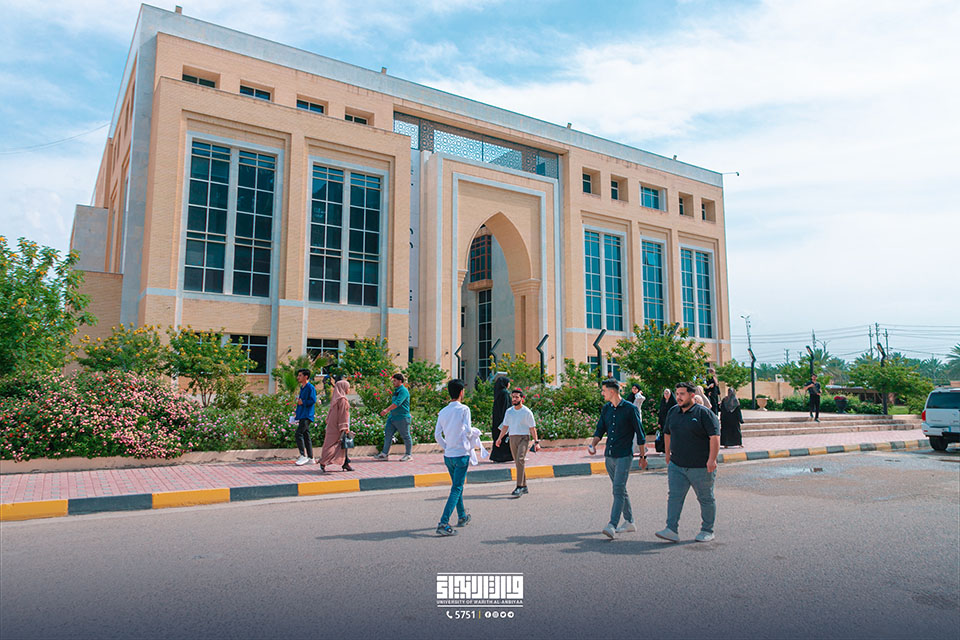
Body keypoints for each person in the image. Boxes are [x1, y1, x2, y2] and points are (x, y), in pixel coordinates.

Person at [656, 381, 720, 544]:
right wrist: (667, 454)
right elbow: (667, 433)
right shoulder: (673, 411)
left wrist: (712, 459)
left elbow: (714, 437)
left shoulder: (704, 413)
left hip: (701, 466)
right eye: (677, 394)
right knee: (674, 497)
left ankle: (707, 530)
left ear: (692, 395)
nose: (678, 397)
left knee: (705, 498)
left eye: (682, 394)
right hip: (677, 465)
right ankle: (671, 529)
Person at [587, 379, 647, 539]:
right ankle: (630, 521)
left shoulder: (630, 409)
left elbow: (640, 434)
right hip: (610, 455)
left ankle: (612, 525)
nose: (602, 393)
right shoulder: (606, 408)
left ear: (612, 391)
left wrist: (642, 456)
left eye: (604, 390)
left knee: (618, 489)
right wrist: (593, 444)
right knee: (620, 489)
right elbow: (600, 428)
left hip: (624, 456)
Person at [434, 379, 475, 536]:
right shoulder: (464, 409)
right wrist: (473, 435)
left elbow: (437, 435)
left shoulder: (443, 411)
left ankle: (462, 515)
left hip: (449, 456)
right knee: (457, 488)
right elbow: (468, 430)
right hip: (461, 454)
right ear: (461, 392)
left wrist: (447, 446)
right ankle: (443, 522)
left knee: (456, 487)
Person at [494, 388, 540, 497]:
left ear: (521, 398)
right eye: (513, 397)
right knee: (518, 462)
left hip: (524, 438)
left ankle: (519, 486)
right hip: (512, 438)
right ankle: (524, 486)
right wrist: (499, 438)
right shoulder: (509, 411)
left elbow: (532, 428)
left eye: (516, 397)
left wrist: (536, 442)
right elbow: (505, 426)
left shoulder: (527, 412)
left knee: (520, 459)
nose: (514, 399)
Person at [374, 373, 413, 461]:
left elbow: (397, 403)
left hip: (402, 418)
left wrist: (386, 410)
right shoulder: (397, 390)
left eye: (395, 381)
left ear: (400, 381)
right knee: (388, 435)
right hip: (392, 418)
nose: (393, 382)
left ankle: (408, 455)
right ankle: (384, 454)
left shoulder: (403, 391)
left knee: (405, 436)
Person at [318, 379, 355, 471]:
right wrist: (344, 427)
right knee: (336, 444)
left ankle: (346, 463)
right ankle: (324, 461)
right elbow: (343, 415)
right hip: (338, 426)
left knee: (334, 444)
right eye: (348, 388)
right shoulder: (342, 400)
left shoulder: (335, 399)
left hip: (332, 425)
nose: (349, 390)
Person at [294, 368, 317, 466]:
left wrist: (303, 402)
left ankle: (303, 456)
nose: (298, 377)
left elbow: (313, 400)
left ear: (306, 377)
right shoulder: (302, 387)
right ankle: (311, 458)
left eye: (300, 375)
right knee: (306, 435)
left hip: (307, 415)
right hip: (302, 414)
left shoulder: (310, 387)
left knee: (298, 434)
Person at [489, 375, 514, 463]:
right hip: (503, 420)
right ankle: (505, 457)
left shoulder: (498, 393)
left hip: (497, 420)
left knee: (498, 437)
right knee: (504, 438)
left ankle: (496, 456)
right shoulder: (505, 393)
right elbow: (506, 408)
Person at [656, 388, 676, 454]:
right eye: (665, 393)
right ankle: (664, 449)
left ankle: (672, 449)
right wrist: (659, 422)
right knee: (664, 435)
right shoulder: (663, 402)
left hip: (671, 421)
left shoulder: (673, 402)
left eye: (667, 393)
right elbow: (660, 413)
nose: (666, 394)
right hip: (663, 422)